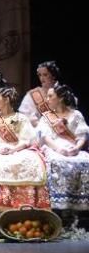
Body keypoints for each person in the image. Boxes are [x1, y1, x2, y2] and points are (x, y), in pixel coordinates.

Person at [0, 86, 49, 214]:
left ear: (6, 100)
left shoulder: (21, 118)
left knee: (32, 161)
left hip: (18, 150)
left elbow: (27, 140)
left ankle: (27, 203)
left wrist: (14, 149)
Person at [36, 83, 89, 212]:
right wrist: (58, 149)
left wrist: (77, 148)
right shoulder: (46, 117)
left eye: (50, 96)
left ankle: (81, 204)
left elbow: (82, 135)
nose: (47, 99)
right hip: (53, 147)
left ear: (60, 98)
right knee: (57, 162)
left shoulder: (76, 115)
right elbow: (45, 138)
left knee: (85, 162)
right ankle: (59, 204)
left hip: (73, 148)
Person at [19, 61, 62, 126]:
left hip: (61, 131)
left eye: (45, 75)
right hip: (39, 132)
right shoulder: (33, 95)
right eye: (39, 75)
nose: (41, 78)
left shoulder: (63, 93)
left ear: (53, 76)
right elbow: (24, 115)